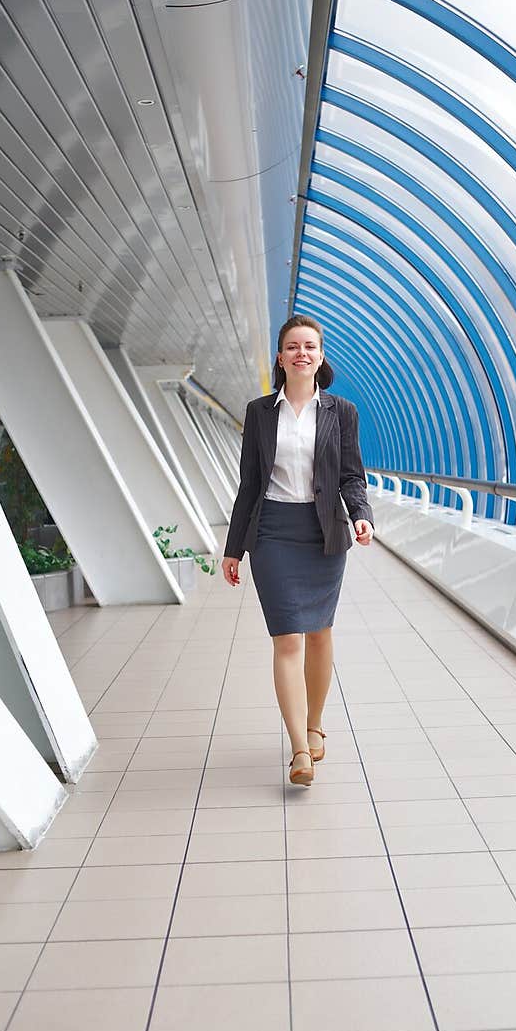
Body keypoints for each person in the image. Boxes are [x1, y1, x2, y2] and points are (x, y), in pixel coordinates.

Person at [221, 315, 374, 786]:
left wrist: (360, 512)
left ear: (321, 356)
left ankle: (315, 722)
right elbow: (249, 483)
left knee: (321, 634)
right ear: (281, 357)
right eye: (292, 346)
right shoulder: (260, 412)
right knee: (287, 637)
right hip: (272, 533)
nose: (301, 353)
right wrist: (233, 548)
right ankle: (300, 749)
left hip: (324, 530)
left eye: (309, 346)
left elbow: (352, 473)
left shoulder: (341, 412)